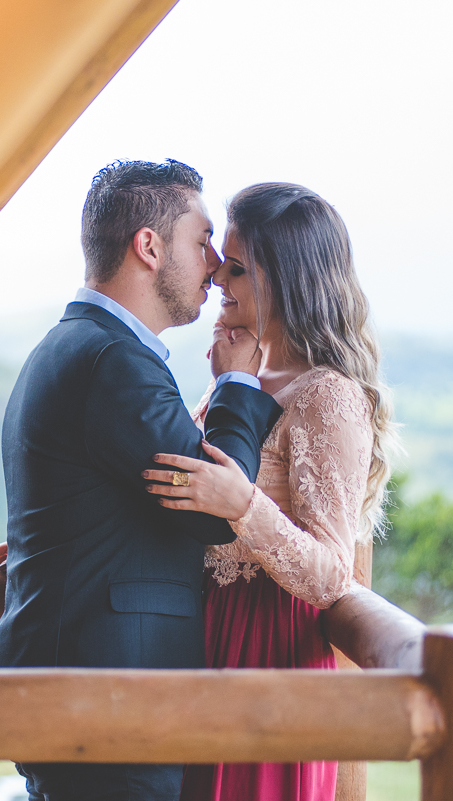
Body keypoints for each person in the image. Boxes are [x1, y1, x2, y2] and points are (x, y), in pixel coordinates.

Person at [0, 160, 282, 801]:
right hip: (107, 698)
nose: (214, 265)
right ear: (149, 247)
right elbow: (213, 506)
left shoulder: (74, 344)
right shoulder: (115, 361)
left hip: (81, 686)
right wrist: (237, 383)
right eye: (203, 241)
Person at [142, 183, 395, 801]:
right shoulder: (240, 376)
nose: (216, 278)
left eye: (236, 268)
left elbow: (331, 575)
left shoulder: (327, 395)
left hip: (269, 650)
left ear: (284, 279)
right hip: (202, 636)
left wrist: (243, 506)